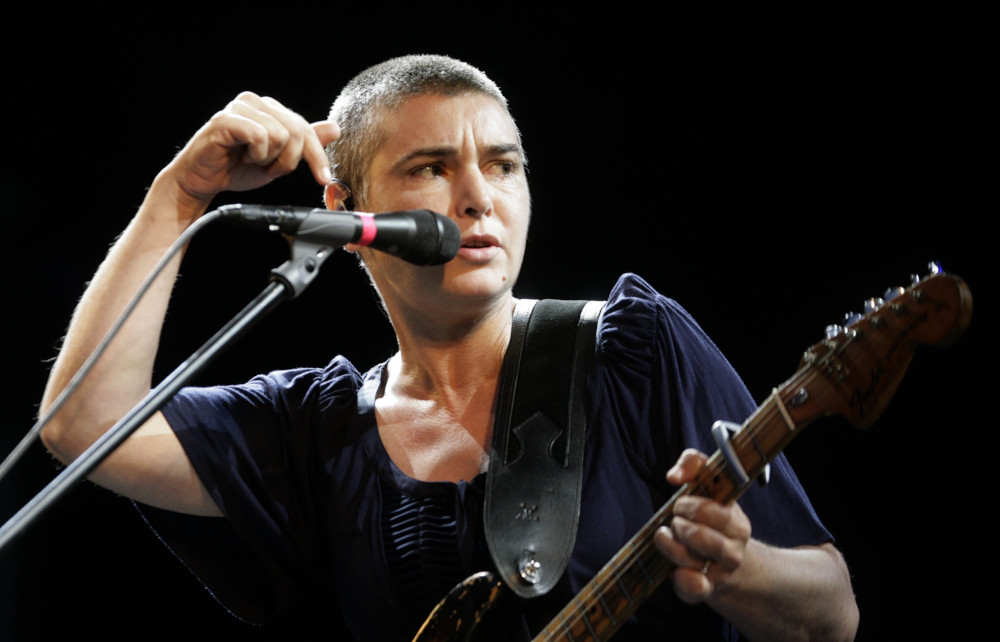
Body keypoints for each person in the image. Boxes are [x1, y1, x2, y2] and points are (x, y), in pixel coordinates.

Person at [39, 55, 859, 640]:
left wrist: (738, 569)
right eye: (432, 168)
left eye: (503, 166)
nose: (477, 198)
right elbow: (82, 426)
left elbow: (834, 612)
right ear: (345, 210)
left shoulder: (634, 348)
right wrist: (181, 196)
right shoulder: (314, 428)